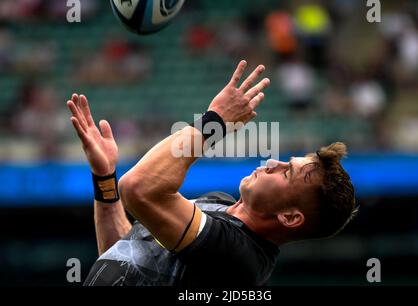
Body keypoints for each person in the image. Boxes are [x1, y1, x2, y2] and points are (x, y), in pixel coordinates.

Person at [67, 60, 358, 286]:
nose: (272, 163)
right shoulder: (218, 203)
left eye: (286, 173)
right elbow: (122, 252)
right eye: (285, 161)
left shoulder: (240, 260)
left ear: (290, 217)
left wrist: (214, 121)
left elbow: (139, 188)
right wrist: (105, 178)